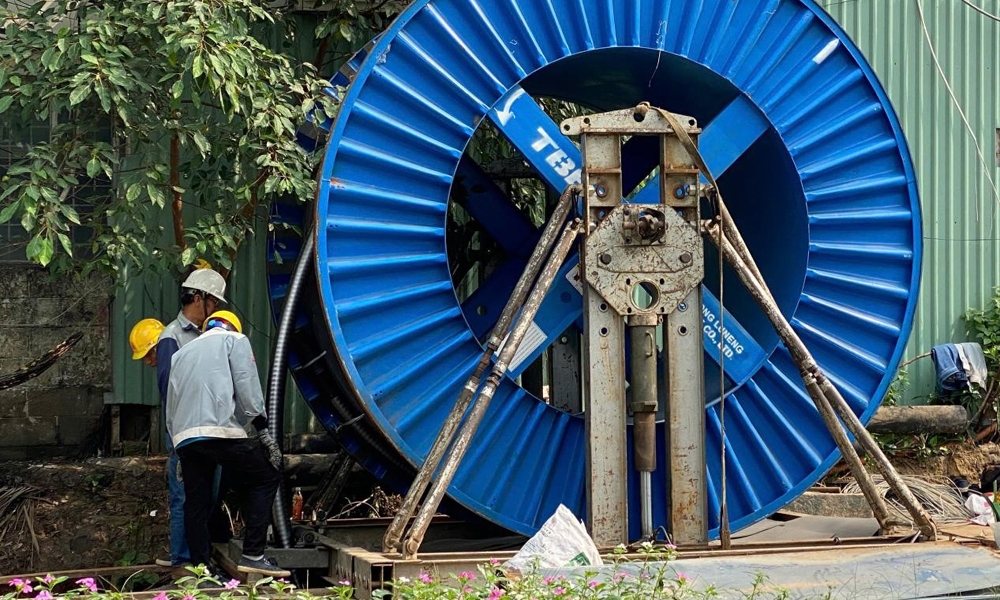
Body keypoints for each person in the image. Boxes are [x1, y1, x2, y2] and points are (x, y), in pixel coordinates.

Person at [166, 310, 289, 577]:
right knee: (267, 474)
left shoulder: (181, 354)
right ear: (231, 326)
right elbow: (246, 383)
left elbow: (171, 402)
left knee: (195, 501)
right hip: (219, 430)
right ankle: (253, 554)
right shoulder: (235, 340)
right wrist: (262, 430)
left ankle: (201, 568)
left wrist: (178, 447)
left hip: (186, 438)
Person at [154, 267, 228, 568]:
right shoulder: (172, 336)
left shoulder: (210, 334)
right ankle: (183, 562)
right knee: (184, 499)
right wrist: (177, 440)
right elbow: (168, 390)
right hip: (186, 435)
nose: (217, 308)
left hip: (213, 433)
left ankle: (201, 560)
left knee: (206, 500)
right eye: (214, 302)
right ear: (199, 298)